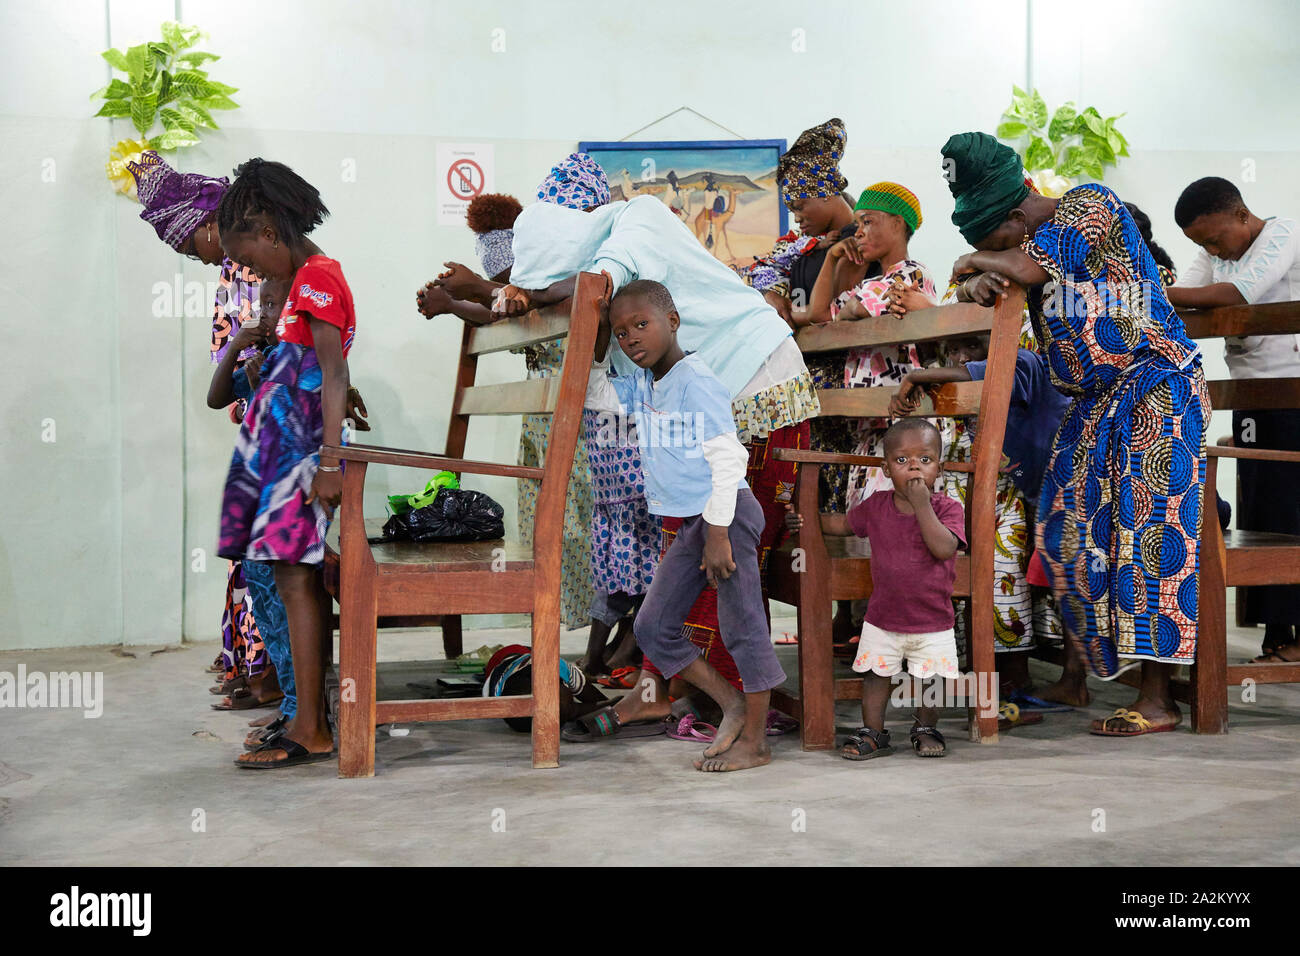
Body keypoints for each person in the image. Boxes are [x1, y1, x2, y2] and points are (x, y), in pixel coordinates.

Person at [497, 153, 820, 736]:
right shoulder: (636, 326)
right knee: (683, 552)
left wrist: (523, 292)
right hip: (707, 399)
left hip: (755, 379)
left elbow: (594, 284)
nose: (626, 335)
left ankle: (731, 707)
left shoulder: (638, 219)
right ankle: (661, 691)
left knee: (723, 560)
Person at [938, 131, 1210, 738]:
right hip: (1088, 403)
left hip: (1155, 389)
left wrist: (979, 263)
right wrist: (976, 278)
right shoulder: (1026, 244)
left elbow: (1025, 265)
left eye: (994, 238)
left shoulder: (1089, 205)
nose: (994, 249)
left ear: (1016, 212)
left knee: (1146, 537)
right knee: (1064, 535)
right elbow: (1006, 272)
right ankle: (1080, 674)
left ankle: (1160, 698)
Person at [582, 279, 785, 772]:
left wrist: (718, 533)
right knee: (652, 626)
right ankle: (731, 703)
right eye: (621, 331)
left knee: (743, 629)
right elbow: (598, 391)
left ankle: (756, 741)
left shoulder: (695, 381)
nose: (632, 338)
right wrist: (595, 342)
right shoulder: (648, 383)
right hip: (698, 521)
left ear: (672, 322)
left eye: (641, 325)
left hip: (725, 516)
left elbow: (727, 458)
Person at [216, 158, 353, 769]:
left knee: (297, 579)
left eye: (249, 259)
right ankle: (300, 708)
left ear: (270, 235)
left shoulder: (319, 277)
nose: (251, 273)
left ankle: (312, 727)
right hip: (274, 455)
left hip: (298, 457)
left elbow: (333, 371)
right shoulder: (300, 283)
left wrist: (329, 462)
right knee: (272, 576)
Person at [891, 336, 1071, 712]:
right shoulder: (955, 399)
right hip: (1029, 495)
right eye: (953, 352)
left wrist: (920, 375)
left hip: (1068, 491)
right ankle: (975, 672)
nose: (959, 358)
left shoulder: (1022, 363)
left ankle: (1022, 676)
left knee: (1012, 572)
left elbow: (994, 371)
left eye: (970, 349)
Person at [1167, 177, 1300, 662]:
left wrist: (1157, 293)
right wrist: (1169, 292)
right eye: (1201, 243)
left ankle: (1295, 638)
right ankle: (1278, 635)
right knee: (1261, 511)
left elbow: (1239, 293)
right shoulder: (1216, 251)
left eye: (1214, 238)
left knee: (1290, 510)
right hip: (1252, 394)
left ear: (1242, 216)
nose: (1210, 249)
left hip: (1292, 392)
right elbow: (1189, 292)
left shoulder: (1283, 234)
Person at [786, 418, 965, 759]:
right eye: (902, 460)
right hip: (882, 616)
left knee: (932, 679)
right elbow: (839, 524)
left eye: (924, 460)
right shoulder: (877, 507)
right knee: (874, 675)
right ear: (885, 468)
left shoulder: (946, 508)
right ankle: (874, 732)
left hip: (933, 620)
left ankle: (925, 727)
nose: (913, 466)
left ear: (938, 469)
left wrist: (922, 504)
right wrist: (803, 519)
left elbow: (944, 548)